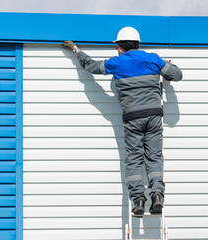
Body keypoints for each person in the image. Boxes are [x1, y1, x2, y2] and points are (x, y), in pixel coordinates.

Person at [63, 26, 182, 217]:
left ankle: (138, 200)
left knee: (134, 159)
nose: (115, 49)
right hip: (153, 116)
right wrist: (162, 66)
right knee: (154, 158)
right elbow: (177, 74)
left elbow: (92, 66)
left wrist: (76, 50)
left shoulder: (116, 62)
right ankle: (157, 196)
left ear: (121, 46)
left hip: (132, 118)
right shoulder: (152, 58)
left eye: (116, 46)